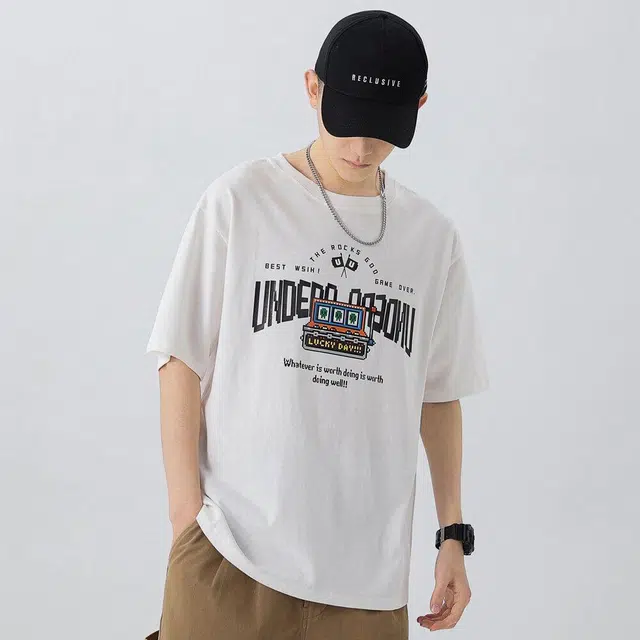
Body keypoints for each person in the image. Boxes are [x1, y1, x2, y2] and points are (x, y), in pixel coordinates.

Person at [144, 9, 490, 640]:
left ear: (419, 106)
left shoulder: (431, 239)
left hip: (366, 586)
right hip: (230, 560)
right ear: (313, 89)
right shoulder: (241, 201)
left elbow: (439, 393)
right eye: (347, 122)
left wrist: (452, 535)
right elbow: (179, 358)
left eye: (383, 131)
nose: (361, 149)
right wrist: (185, 521)